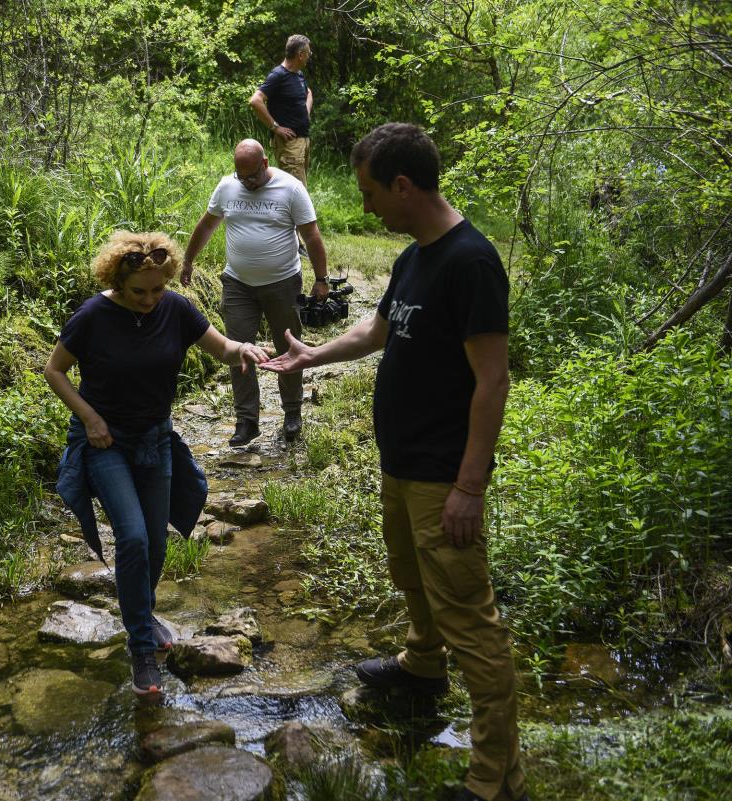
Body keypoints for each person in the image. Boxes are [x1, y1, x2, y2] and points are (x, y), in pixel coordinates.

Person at [261, 123, 527, 801]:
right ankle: (421, 666)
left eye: (371, 192)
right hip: (401, 463)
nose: (368, 205)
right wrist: (311, 355)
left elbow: (493, 380)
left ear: (403, 185)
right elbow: (378, 328)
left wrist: (470, 486)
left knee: (470, 620)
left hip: (442, 475)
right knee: (411, 576)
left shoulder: (470, 262)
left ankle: (496, 780)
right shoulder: (414, 257)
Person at [46, 231, 268, 698]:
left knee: (156, 543)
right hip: (106, 441)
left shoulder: (177, 309)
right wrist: (89, 418)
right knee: (132, 538)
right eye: (138, 292)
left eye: (158, 289)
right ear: (116, 281)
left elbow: (222, 348)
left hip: (156, 439)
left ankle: (142, 614)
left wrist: (244, 349)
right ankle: (141, 647)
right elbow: (55, 370)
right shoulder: (92, 316)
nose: (149, 300)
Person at [181, 139, 329, 446]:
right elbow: (207, 225)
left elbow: (311, 236)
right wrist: (188, 261)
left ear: (264, 164)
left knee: (288, 345)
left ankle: (292, 412)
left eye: (252, 176)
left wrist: (321, 278)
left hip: (282, 282)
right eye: (241, 176)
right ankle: (246, 421)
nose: (247, 182)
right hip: (238, 284)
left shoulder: (291, 189)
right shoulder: (227, 187)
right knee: (237, 349)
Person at [249, 34, 314, 186]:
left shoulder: (298, 75)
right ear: (300, 55)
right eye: (308, 53)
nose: (310, 55)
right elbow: (255, 101)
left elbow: (308, 93)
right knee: (295, 191)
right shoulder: (278, 75)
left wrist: (305, 114)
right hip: (289, 145)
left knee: (299, 190)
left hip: (303, 141)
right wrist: (275, 127)